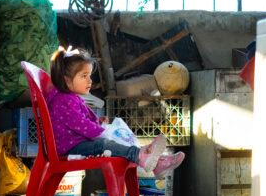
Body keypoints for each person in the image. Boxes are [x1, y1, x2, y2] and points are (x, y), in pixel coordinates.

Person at [47, 45, 184, 177]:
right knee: (104, 144)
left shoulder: (70, 98)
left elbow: (82, 119)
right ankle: (143, 156)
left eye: (89, 75)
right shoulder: (63, 101)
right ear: (67, 81)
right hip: (70, 148)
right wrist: (101, 130)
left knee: (115, 140)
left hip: (78, 143)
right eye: (84, 76)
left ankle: (155, 161)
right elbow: (82, 125)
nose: (90, 81)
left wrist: (98, 122)